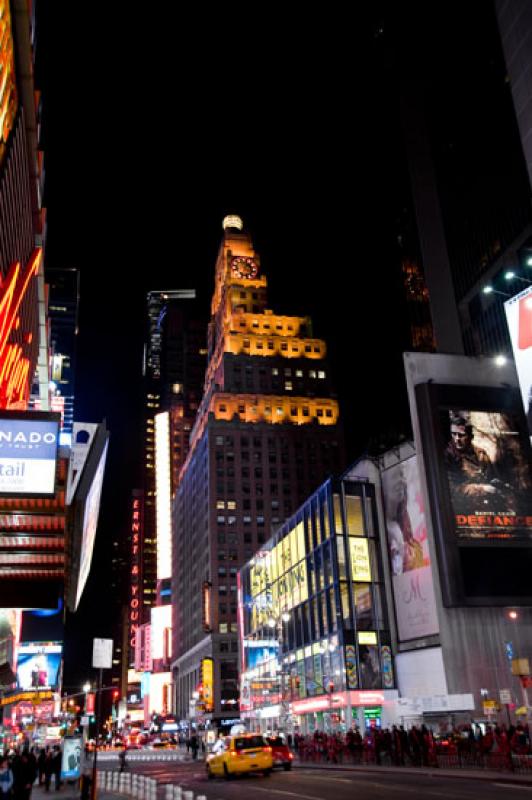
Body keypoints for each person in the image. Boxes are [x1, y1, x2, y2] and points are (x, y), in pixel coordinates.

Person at [444, 413, 507, 512]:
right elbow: (452, 490)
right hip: (465, 510)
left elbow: (492, 477)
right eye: (454, 434)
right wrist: (481, 489)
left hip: (487, 506)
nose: (457, 439)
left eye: (461, 435)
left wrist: (495, 483)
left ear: (470, 436)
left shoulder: (481, 453)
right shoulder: (449, 456)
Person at [383, 465, 424, 575]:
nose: (401, 480)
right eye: (395, 476)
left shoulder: (404, 527)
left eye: (401, 475)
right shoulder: (384, 530)